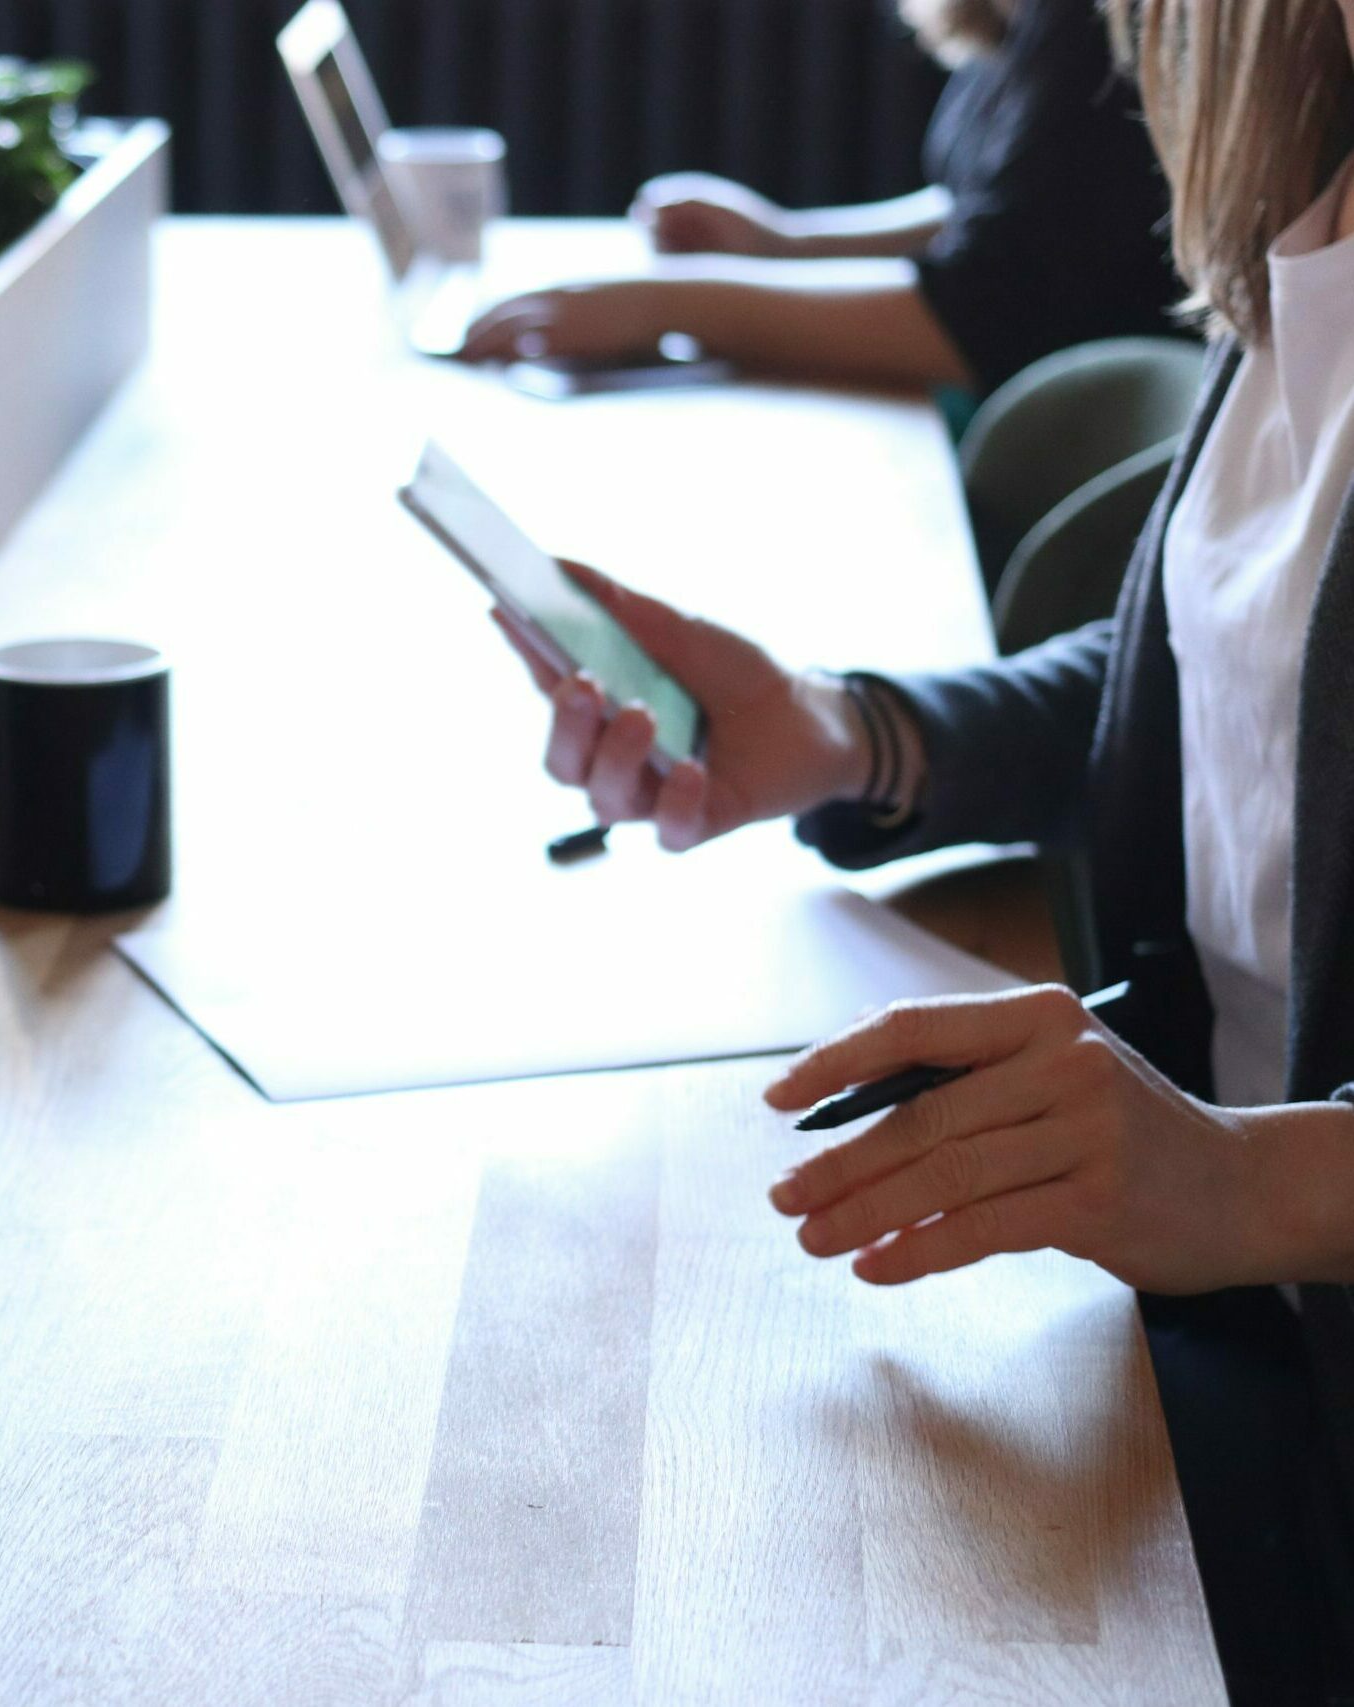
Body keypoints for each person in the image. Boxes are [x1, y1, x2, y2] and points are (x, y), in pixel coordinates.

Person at [492, 1, 1354, 1699]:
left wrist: (1243, 1181)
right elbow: (1228, 652)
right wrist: (843, 731)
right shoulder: (1308, 188)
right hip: (1206, 1317)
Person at [459, 0, 1180, 397]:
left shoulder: (1095, 28)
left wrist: (664, 305)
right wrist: (787, 242)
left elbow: (980, 315)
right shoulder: (1031, 19)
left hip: (1040, 465)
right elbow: (995, 211)